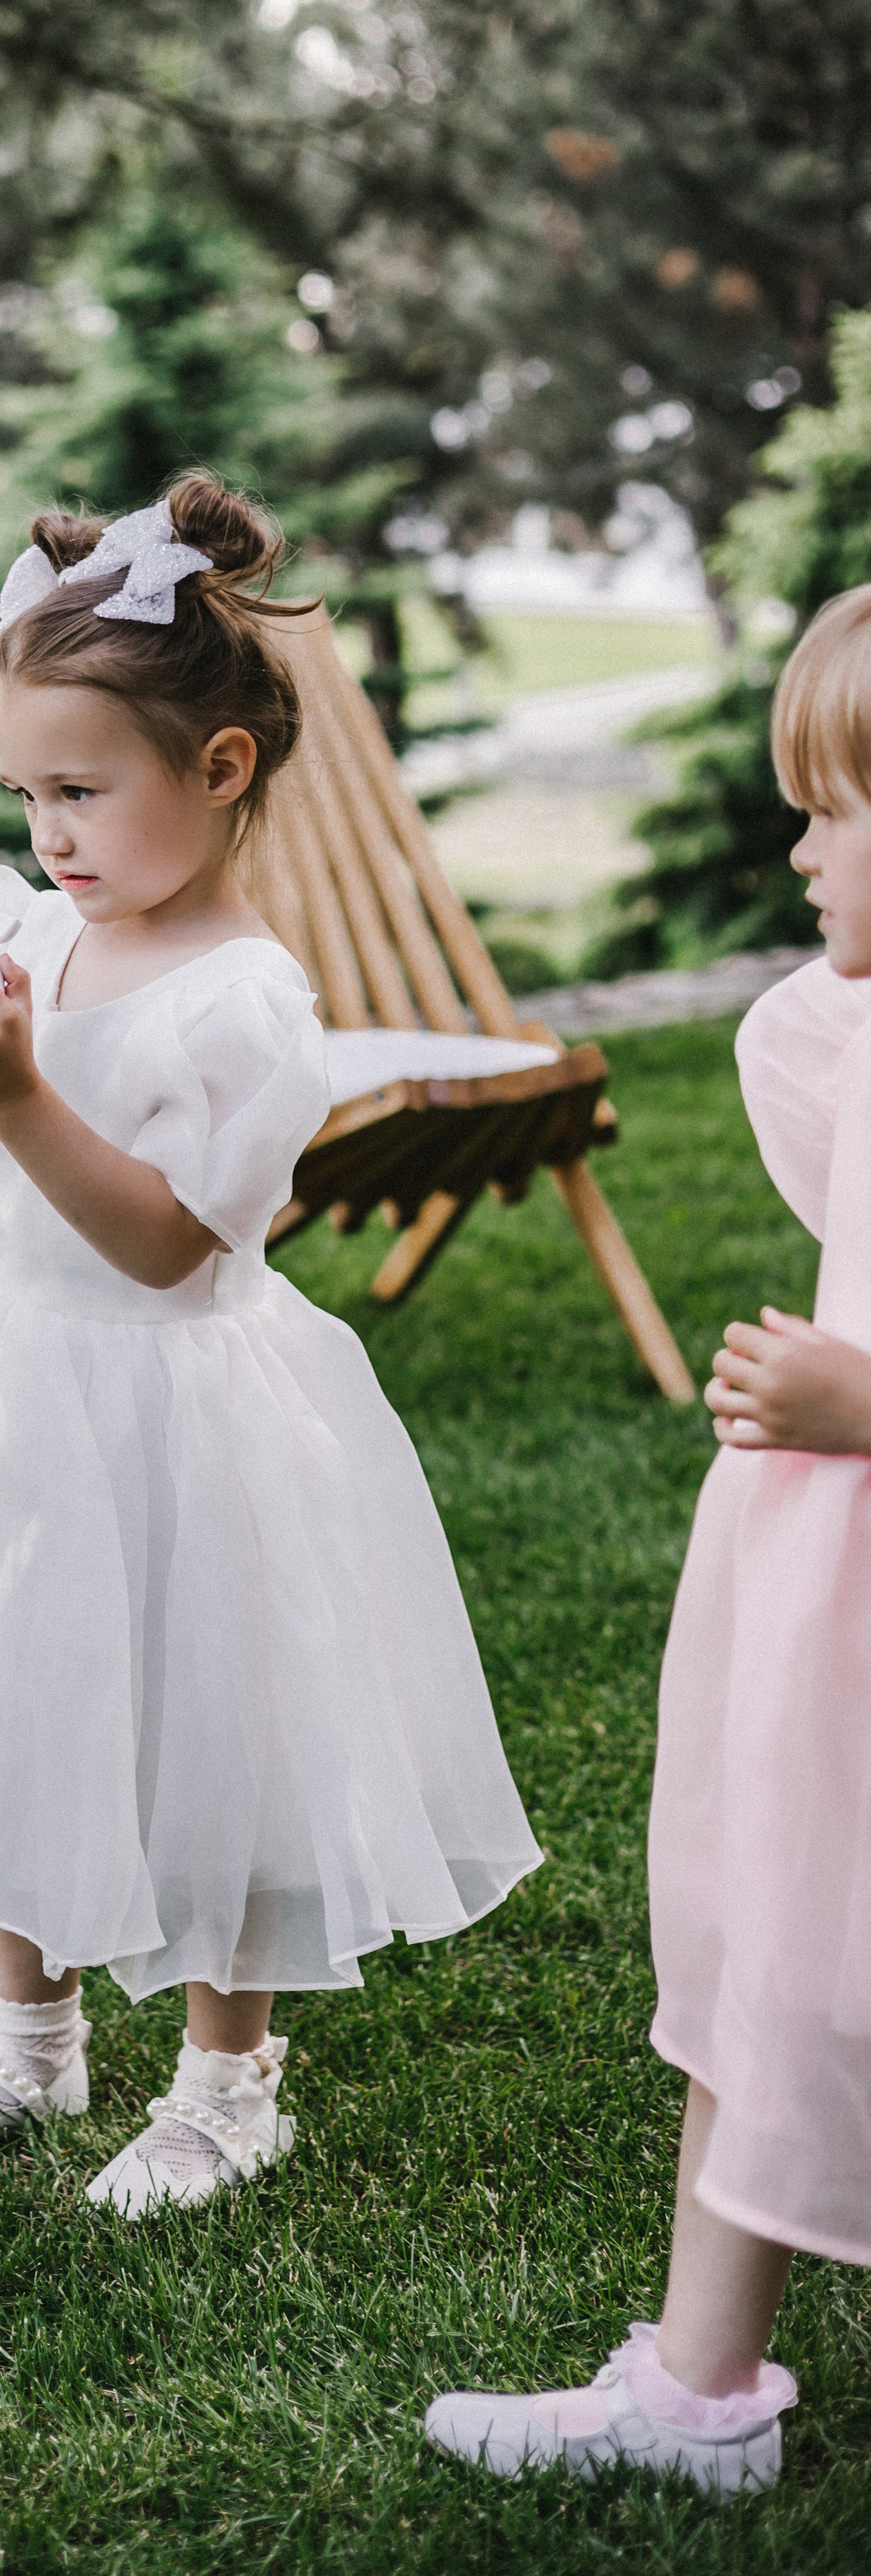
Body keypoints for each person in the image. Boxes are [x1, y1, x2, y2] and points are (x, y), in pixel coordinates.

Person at [0, 474, 540, 2217]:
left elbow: (167, 1245)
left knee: (204, 1725)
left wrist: (17, 1085)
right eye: (25, 793)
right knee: (19, 1685)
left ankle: (226, 2077)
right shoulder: (32, 933)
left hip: (177, 1399)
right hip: (10, 1375)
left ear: (219, 771)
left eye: (80, 791)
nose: (48, 833)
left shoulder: (243, 1004)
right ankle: (26, 2037)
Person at [427, 583, 871, 2491]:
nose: (796, 849)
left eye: (834, 809)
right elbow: (803, 1060)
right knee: (771, 1961)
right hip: (818, 1617)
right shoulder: (845, 1036)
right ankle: (700, 2391)